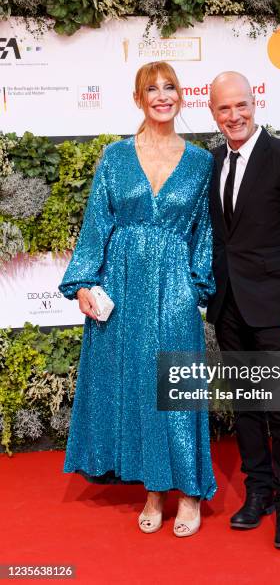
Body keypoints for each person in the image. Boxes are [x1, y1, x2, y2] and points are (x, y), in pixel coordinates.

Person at [59, 61, 216, 537]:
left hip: (174, 288)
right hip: (121, 288)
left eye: (170, 88)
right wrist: (84, 283)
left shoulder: (201, 162)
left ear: (180, 97)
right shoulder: (114, 157)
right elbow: (96, 225)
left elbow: (205, 233)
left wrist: (195, 285)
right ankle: (153, 489)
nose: (162, 96)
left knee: (177, 388)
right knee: (135, 387)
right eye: (153, 89)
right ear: (138, 98)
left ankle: (188, 492)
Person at [207, 71, 280, 549]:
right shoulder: (211, 162)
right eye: (223, 108)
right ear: (212, 113)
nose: (233, 115)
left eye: (240, 105)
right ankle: (259, 491)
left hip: (277, 309)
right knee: (247, 408)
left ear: (254, 103)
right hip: (229, 306)